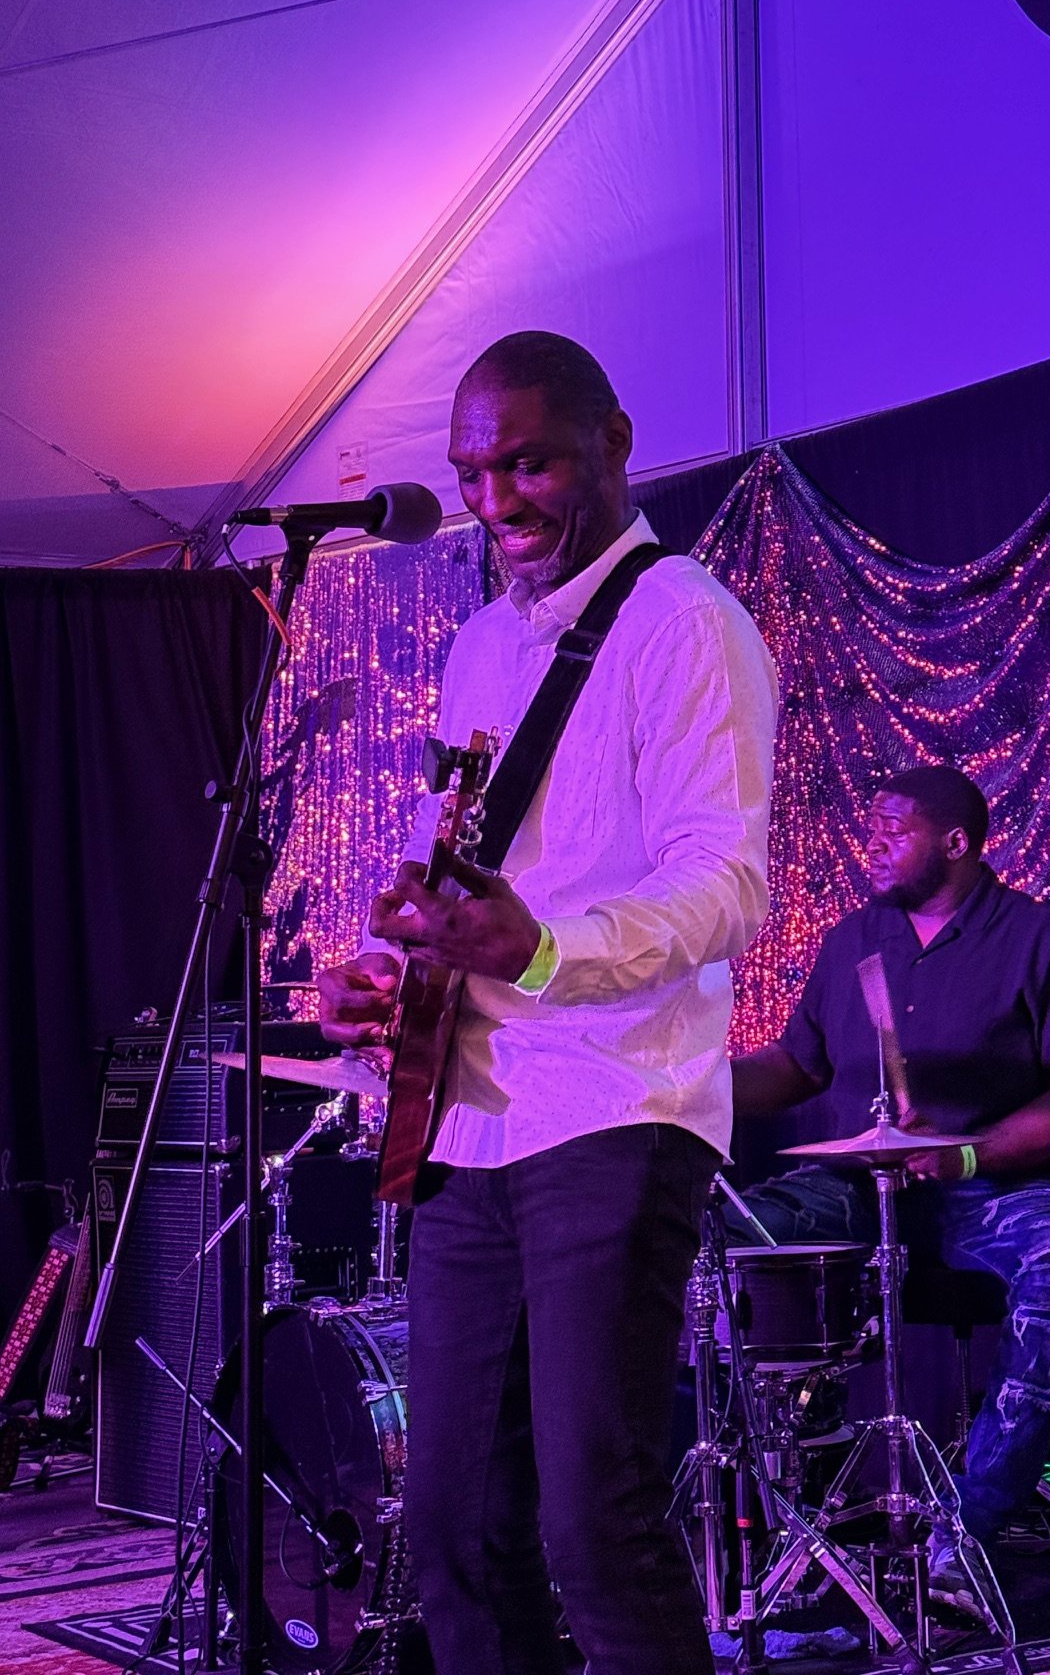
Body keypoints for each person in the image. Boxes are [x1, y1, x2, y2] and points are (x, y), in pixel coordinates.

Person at [316, 331, 777, 1675]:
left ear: (612, 443)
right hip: (467, 1127)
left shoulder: (687, 622)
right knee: (455, 1530)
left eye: (526, 462)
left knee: (594, 1521)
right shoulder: (478, 648)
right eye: (472, 470)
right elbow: (452, 873)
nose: (495, 499)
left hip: (617, 1107)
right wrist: (388, 972)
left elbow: (725, 888)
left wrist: (537, 951)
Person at [729, 766, 1050, 1601]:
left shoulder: (1039, 937)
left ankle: (968, 1530)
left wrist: (973, 1153)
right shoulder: (852, 942)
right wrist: (687, 1084)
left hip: (996, 1193)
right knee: (730, 1249)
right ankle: (806, 1525)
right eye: (871, 826)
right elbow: (800, 1066)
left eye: (892, 829)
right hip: (860, 1192)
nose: (872, 843)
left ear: (956, 842)